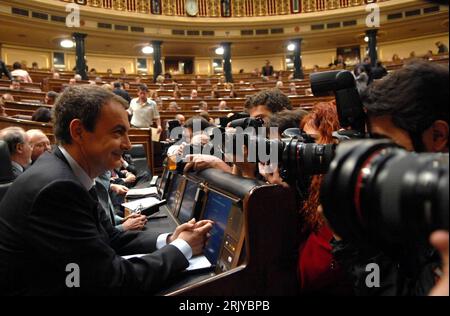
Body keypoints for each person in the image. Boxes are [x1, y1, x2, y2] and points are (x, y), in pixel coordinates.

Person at [0, 85, 213, 295]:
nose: (128, 144)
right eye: (118, 132)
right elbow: (111, 281)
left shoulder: (70, 173)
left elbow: (110, 237)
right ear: (78, 132)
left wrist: (169, 240)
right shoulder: (58, 187)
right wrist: (182, 248)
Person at [330, 60, 449, 296]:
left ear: (437, 135)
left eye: (386, 145)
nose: (377, 158)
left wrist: (359, 245)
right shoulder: (414, 197)